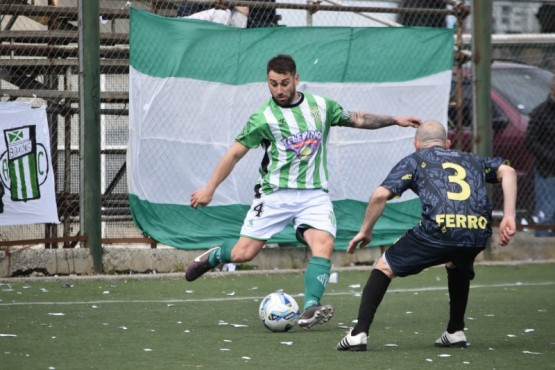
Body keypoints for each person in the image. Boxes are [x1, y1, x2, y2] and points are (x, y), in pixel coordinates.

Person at [186, 54, 421, 329]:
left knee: (323, 245)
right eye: (273, 84)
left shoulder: (320, 106)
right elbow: (235, 154)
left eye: (284, 83)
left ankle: (311, 307)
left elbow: (358, 118)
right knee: (242, 254)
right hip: (274, 194)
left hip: (313, 195)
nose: (279, 90)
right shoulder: (263, 118)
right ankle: (214, 256)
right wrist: (210, 188)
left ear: (296, 79)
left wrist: (395, 119)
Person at [337, 120, 517, 351]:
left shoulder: (416, 159)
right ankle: (455, 331)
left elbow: (380, 195)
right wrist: (509, 216)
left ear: (416, 144)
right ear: (448, 143)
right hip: (476, 230)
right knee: (457, 262)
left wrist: (365, 230)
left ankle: (358, 334)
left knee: (384, 266)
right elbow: (509, 171)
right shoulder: (472, 159)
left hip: (438, 230)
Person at [525, 75, 555, 237]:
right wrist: (550, 157)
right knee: (547, 215)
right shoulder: (540, 113)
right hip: (547, 172)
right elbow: (530, 141)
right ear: (552, 88)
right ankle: (543, 250)